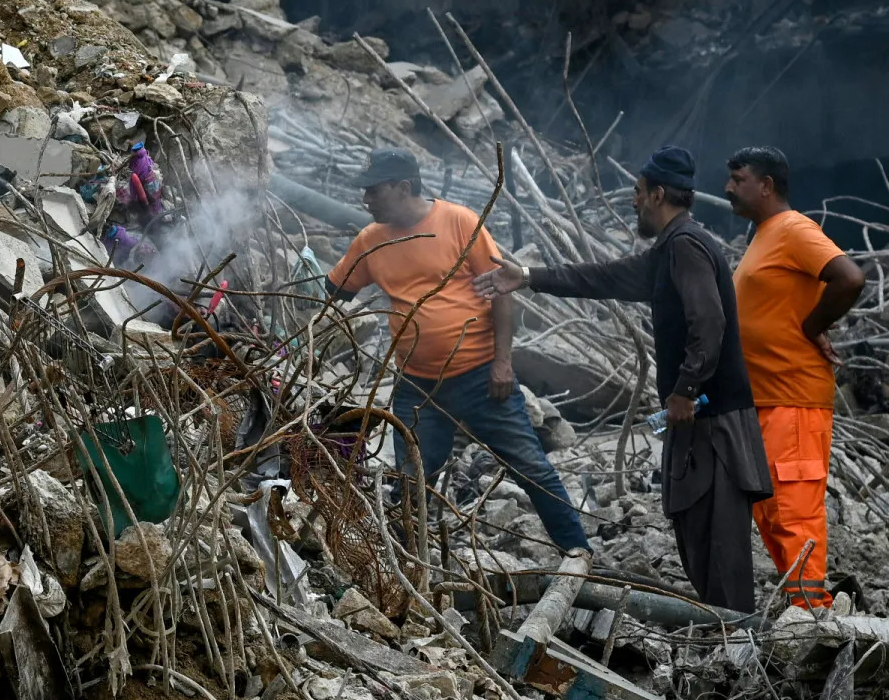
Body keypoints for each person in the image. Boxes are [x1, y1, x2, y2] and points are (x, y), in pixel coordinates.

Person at [474, 146, 771, 611]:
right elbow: (603, 278)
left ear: (657, 194)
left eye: (637, 193)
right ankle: (725, 646)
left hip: (716, 429)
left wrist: (685, 391)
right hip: (700, 425)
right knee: (699, 542)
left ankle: (739, 652)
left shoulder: (687, 247)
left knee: (719, 552)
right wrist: (528, 276)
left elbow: (708, 325)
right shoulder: (669, 250)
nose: (632, 202)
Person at [327, 148, 590, 555]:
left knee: (531, 467)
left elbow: (503, 291)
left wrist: (503, 362)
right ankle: (408, 564)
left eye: (373, 192)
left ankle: (578, 552)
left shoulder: (459, 222)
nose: (366, 200)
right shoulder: (370, 240)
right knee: (411, 477)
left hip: (481, 377)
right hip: (418, 386)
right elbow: (335, 290)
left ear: (403, 188)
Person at [722, 146, 865, 608]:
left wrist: (812, 326)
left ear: (766, 185)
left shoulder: (794, 229)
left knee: (793, 512)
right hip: (766, 399)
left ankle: (814, 620)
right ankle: (800, 613)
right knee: (770, 511)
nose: (728, 188)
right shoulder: (763, 235)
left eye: (738, 179)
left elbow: (849, 277)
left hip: (794, 399)